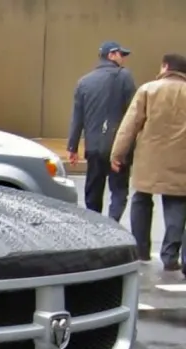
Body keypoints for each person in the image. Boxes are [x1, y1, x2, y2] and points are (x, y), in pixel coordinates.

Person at [111, 53, 186, 272]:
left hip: (148, 160)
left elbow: (130, 125)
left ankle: (141, 250)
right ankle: (170, 257)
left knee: (142, 199)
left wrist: (118, 154)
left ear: (165, 67)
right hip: (182, 161)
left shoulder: (148, 90)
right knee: (177, 205)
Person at [67, 41, 137, 223]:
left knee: (93, 189)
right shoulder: (125, 77)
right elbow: (133, 112)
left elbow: (78, 117)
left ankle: (95, 225)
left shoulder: (84, 82)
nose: (123, 59)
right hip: (118, 147)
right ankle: (112, 223)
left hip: (94, 146)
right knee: (119, 190)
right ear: (112, 55)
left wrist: (72, 147)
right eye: (121, 54)